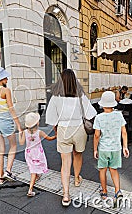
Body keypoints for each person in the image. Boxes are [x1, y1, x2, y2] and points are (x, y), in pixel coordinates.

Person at [46, 69, 97, 206]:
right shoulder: (80, 96)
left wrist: (57, 132)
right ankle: (76, 179)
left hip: (63, 129)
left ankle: (66, 194)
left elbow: (52, 120)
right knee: (78, 155)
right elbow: (91, 113)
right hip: (79, 129)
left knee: (65, 163)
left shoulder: (55, 97)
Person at [93, 91, 129, 206]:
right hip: (116, 148)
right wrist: (125, 147)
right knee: (113, 170)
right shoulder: (119, 115)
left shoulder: (99, 117)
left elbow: (96, 135)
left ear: (102, 104)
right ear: (114, 104)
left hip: (104, 148)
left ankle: (104, 192)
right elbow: (124, 132)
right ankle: (118, 191)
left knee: (102, 170)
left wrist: (95, 149)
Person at [0, 67, 22, 185]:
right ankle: (8, 171)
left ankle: (0, 178)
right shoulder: (6, 91)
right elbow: (11, 109)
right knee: (13, 146)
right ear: (0, 78)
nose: (7, 79)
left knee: (1, 150)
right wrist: (19, 125)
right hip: (6, 122)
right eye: (5, 77)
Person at [19, 112, 56, 197]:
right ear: (37, 123)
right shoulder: (39, 132)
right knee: (33, 171)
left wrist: (20, 134)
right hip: (38, 153)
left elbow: (21, 143)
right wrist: (56, 135)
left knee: (33, 168)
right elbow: (49, 138)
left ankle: (37, 175)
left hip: (29, 153)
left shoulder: (25, 132)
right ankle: (30, 189)